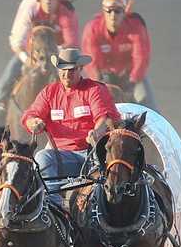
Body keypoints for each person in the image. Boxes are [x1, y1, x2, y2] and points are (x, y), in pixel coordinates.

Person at [21, 47, 121, 206]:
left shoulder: (94, 89)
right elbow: (31, 115)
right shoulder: (50, 92)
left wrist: (97, 132)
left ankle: (100, 207)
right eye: (63, 69)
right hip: (60, 156)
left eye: (72, 70)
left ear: (80, 68)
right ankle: (53, 206)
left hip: (92, 154)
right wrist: (34, 122)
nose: (66, 74)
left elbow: (103, 118)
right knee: (41, 158)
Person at [0, 0, 79, 126]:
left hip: (56, 57)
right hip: (29, 54)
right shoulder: (29, 6)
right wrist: (27, 59)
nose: (48, 0)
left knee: (79, 85)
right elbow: (17, 40)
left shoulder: (66, 11)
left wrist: (54, 54)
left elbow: (71, 42)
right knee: (3, 86)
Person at [81, 0, 156, 110]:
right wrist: (100, 80)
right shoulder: (93, 29)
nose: (113, 15)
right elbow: (91, 61)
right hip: (103, 77)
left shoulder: (136, 26)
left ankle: (156, 126)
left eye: (117, 11)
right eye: (109, 11)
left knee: (148, 103)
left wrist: (133, 80)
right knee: (86, 106)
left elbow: (141, 57)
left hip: (131, 76)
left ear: (124, 12)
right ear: (103, 12)